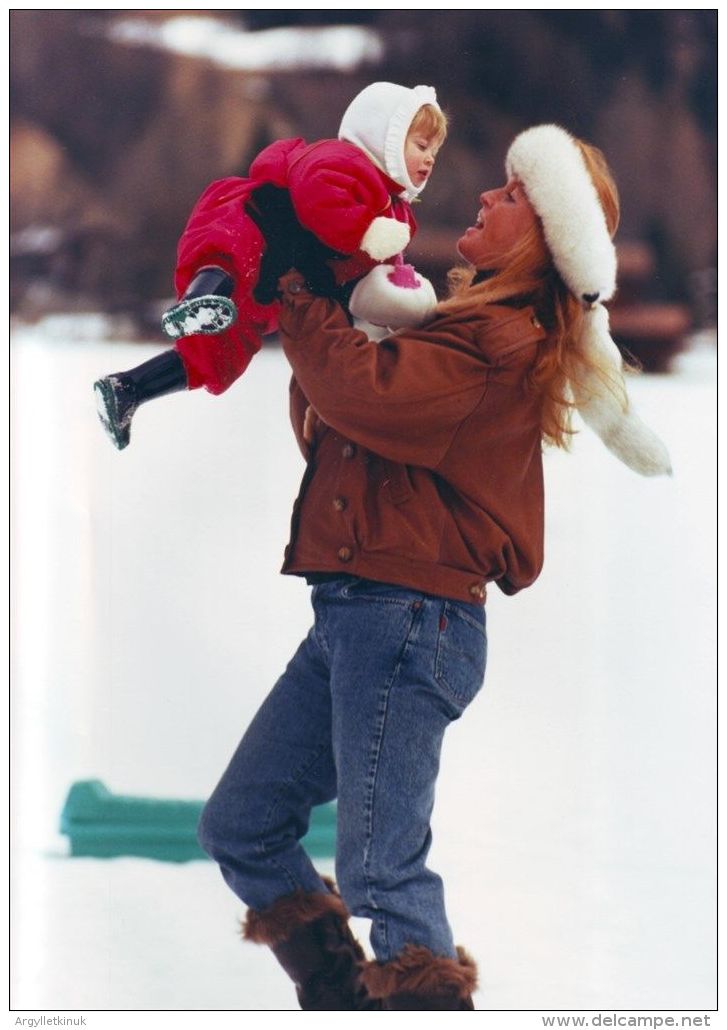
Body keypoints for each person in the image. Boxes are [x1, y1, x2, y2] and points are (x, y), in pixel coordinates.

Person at [196, 124, 671, 1012]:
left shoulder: (497, 339)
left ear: (540, 238)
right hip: (356, 611)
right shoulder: (443, 322)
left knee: (382, 868)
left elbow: (358, 395)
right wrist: (337, 299)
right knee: (243, 825)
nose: (486, 198)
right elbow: (333, 419)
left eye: (510, 195)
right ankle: (344, 998)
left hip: (410, 618)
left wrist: (297, 288)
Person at [93, 82, 446, 450]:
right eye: (421, 146)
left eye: (434, 151)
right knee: (232, 256)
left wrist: (395, 297)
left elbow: (380, 269)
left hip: (273, 287)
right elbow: (318, 195)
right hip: (257, 227)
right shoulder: (343, 161)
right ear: (383, 139)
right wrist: (365, 230)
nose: (430, 158)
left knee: (220, 357)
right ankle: (195, 305)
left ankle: (128, 390)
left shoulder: (397, 212)